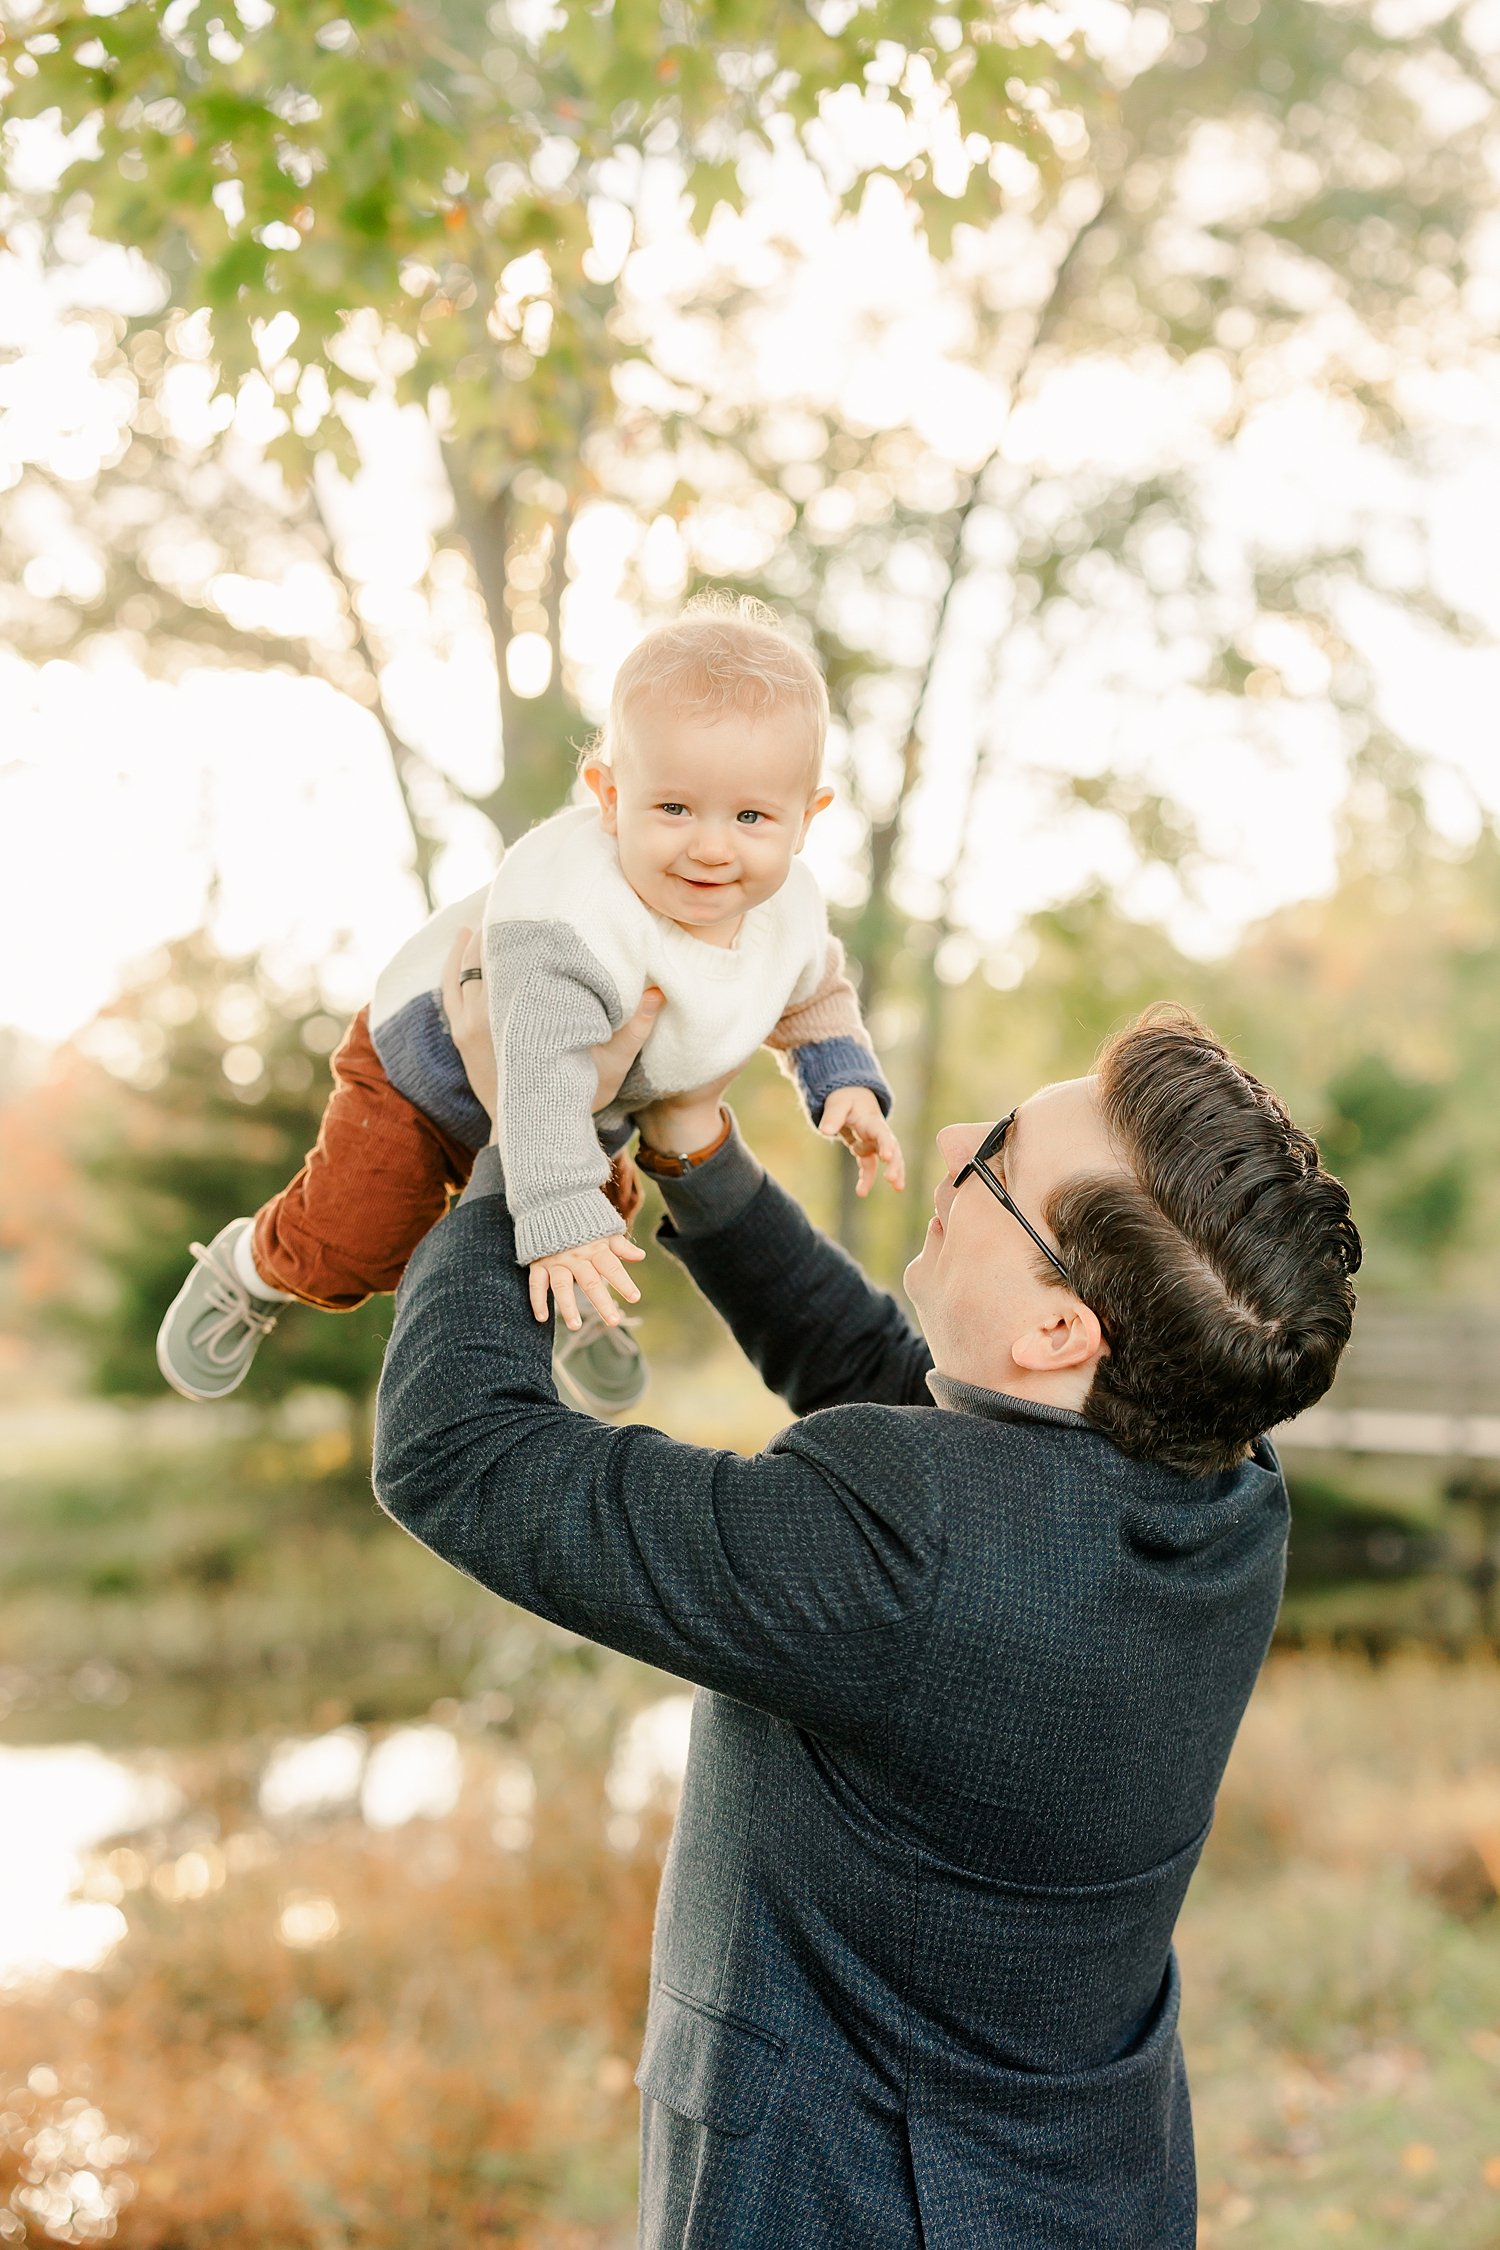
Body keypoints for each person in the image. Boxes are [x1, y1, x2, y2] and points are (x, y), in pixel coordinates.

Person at [372, 948, 1361, 2249]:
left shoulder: (911, 1543)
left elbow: (460, 1451)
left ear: (1064, 1331)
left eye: (997, 1158)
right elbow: (898, 1384)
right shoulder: (1226, 1474)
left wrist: (536, 1141)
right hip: (1092, 2194)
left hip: (853, 2204)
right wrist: (697, 1150)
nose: (952, 1136)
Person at [154, 593, 903, 1418]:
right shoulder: (572, 912)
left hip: (592, 1107)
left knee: (594, 1218)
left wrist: (845, 1082)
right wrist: (556, 1215)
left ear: (806, 821)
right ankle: (252, 1264)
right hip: (431, 1076)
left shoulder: (783, 908)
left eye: (752, 816)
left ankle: (575, 1301)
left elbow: (815, 990)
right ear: (610, 796)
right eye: (674, 808)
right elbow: (540, 1081)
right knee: (357, 1238)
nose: (713, 846)